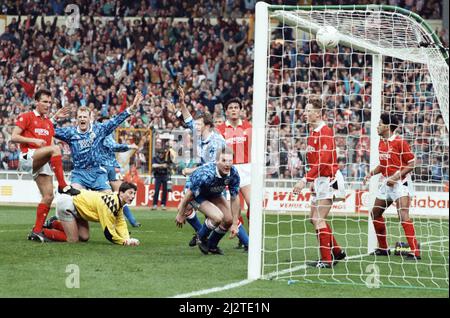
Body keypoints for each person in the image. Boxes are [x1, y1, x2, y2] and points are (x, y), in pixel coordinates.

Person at [11, 88, 80, 242]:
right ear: (36, 102)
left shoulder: (48, 123)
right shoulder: (27, 116)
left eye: (49, 102)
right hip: (28, 156)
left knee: (48, 196)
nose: (48, 104)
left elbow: (48, 145)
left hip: (41, 161)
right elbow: (13, 137)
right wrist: (33, 141)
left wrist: (54, 119)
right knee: (56, 148)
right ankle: (63, 185)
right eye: (44, 101)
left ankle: (36, 231)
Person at [293, 98, 346, 268]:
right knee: (313, 218)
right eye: (305, 110)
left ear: (317, 113)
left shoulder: (325, 132)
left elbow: (323, 161)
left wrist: (304, 179)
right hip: (319, 180)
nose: (305, 113)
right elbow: (314, 161)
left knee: (318, 218)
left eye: (309, 110)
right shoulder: (312, 133)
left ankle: (326, 260)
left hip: (330, 179)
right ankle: (337, 251)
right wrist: (313, 180)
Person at [53, 91, 143, 192]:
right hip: (79, 173)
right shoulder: (70, 132)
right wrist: (55, 118)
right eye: (80, 117)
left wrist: (132, 109)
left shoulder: (98, 129)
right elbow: (51, 130)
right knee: (75, 199)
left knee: (108, 199)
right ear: (76, 119)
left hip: (97, 172)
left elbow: (116, 121)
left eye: (85, 117)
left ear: (89, 118)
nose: (82, 119)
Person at [364, 112, 420, 260]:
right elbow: (383, 165)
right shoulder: (381, 142)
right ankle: (383, 248)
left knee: (403, 216)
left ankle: (415, 251)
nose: (377, 126)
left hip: (401, 183)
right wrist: (371, 173)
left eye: (380, 124)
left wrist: (396, 177)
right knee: (375, 213)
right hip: (387, 183)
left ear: (388, 126)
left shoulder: (399, 142)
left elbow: (412, 164)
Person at [177, 86, 228, 247]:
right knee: (215, 217)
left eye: (198, 125)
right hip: (200, 180)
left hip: (214, 182)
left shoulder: (217, 142)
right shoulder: (199, 133)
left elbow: (213, 167)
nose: (195, 127)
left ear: (207, 125)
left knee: (226, 218)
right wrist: (182, 103)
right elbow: (187, 119)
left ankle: (203, 237)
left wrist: (190, 170)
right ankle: (204, 239)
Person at [176, 147, 240, 255]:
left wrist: (234, 223)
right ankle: (200, 237)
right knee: (217, 217)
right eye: (224, 160)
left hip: (213, 193)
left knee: (228, 220)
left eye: (230, 161)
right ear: (216, 161)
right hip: (195, 195)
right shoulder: (206, 174)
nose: (227, 164)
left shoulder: (233, 173)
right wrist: (180, 213)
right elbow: (189, 194)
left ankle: (212, 245)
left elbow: (234, 197)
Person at [52, 182, 140, 245]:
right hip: (68, 202)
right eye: (130, 193)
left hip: (79, 206)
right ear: (121, 193)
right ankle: (45, 231)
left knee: (84, 237)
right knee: (73, 240)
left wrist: (128, 239)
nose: (133, 196)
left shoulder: (118, 202)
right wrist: (123, 242)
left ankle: (54, 223)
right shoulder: (111, 204)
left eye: (134, 194)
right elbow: (108, 233)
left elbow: (120, 223)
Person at [216, 97, 251, 251]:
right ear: (226, 111)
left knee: (253, 205)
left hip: (247, 168)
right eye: (230, 107)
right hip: (230, 169)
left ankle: (253, 238)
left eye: (236, 107)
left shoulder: (248, 127)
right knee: (233, 208)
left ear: (240, 110)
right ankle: (244, 240)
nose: (234, 110)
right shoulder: (221, 129)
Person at [99, 132, 142, 227]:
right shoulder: (100, 135)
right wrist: (130, 145)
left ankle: (132, 221)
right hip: (99, 170)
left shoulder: (108, 135)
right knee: (107, 196)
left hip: (111, 169)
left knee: (119, 194)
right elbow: (114, 146)